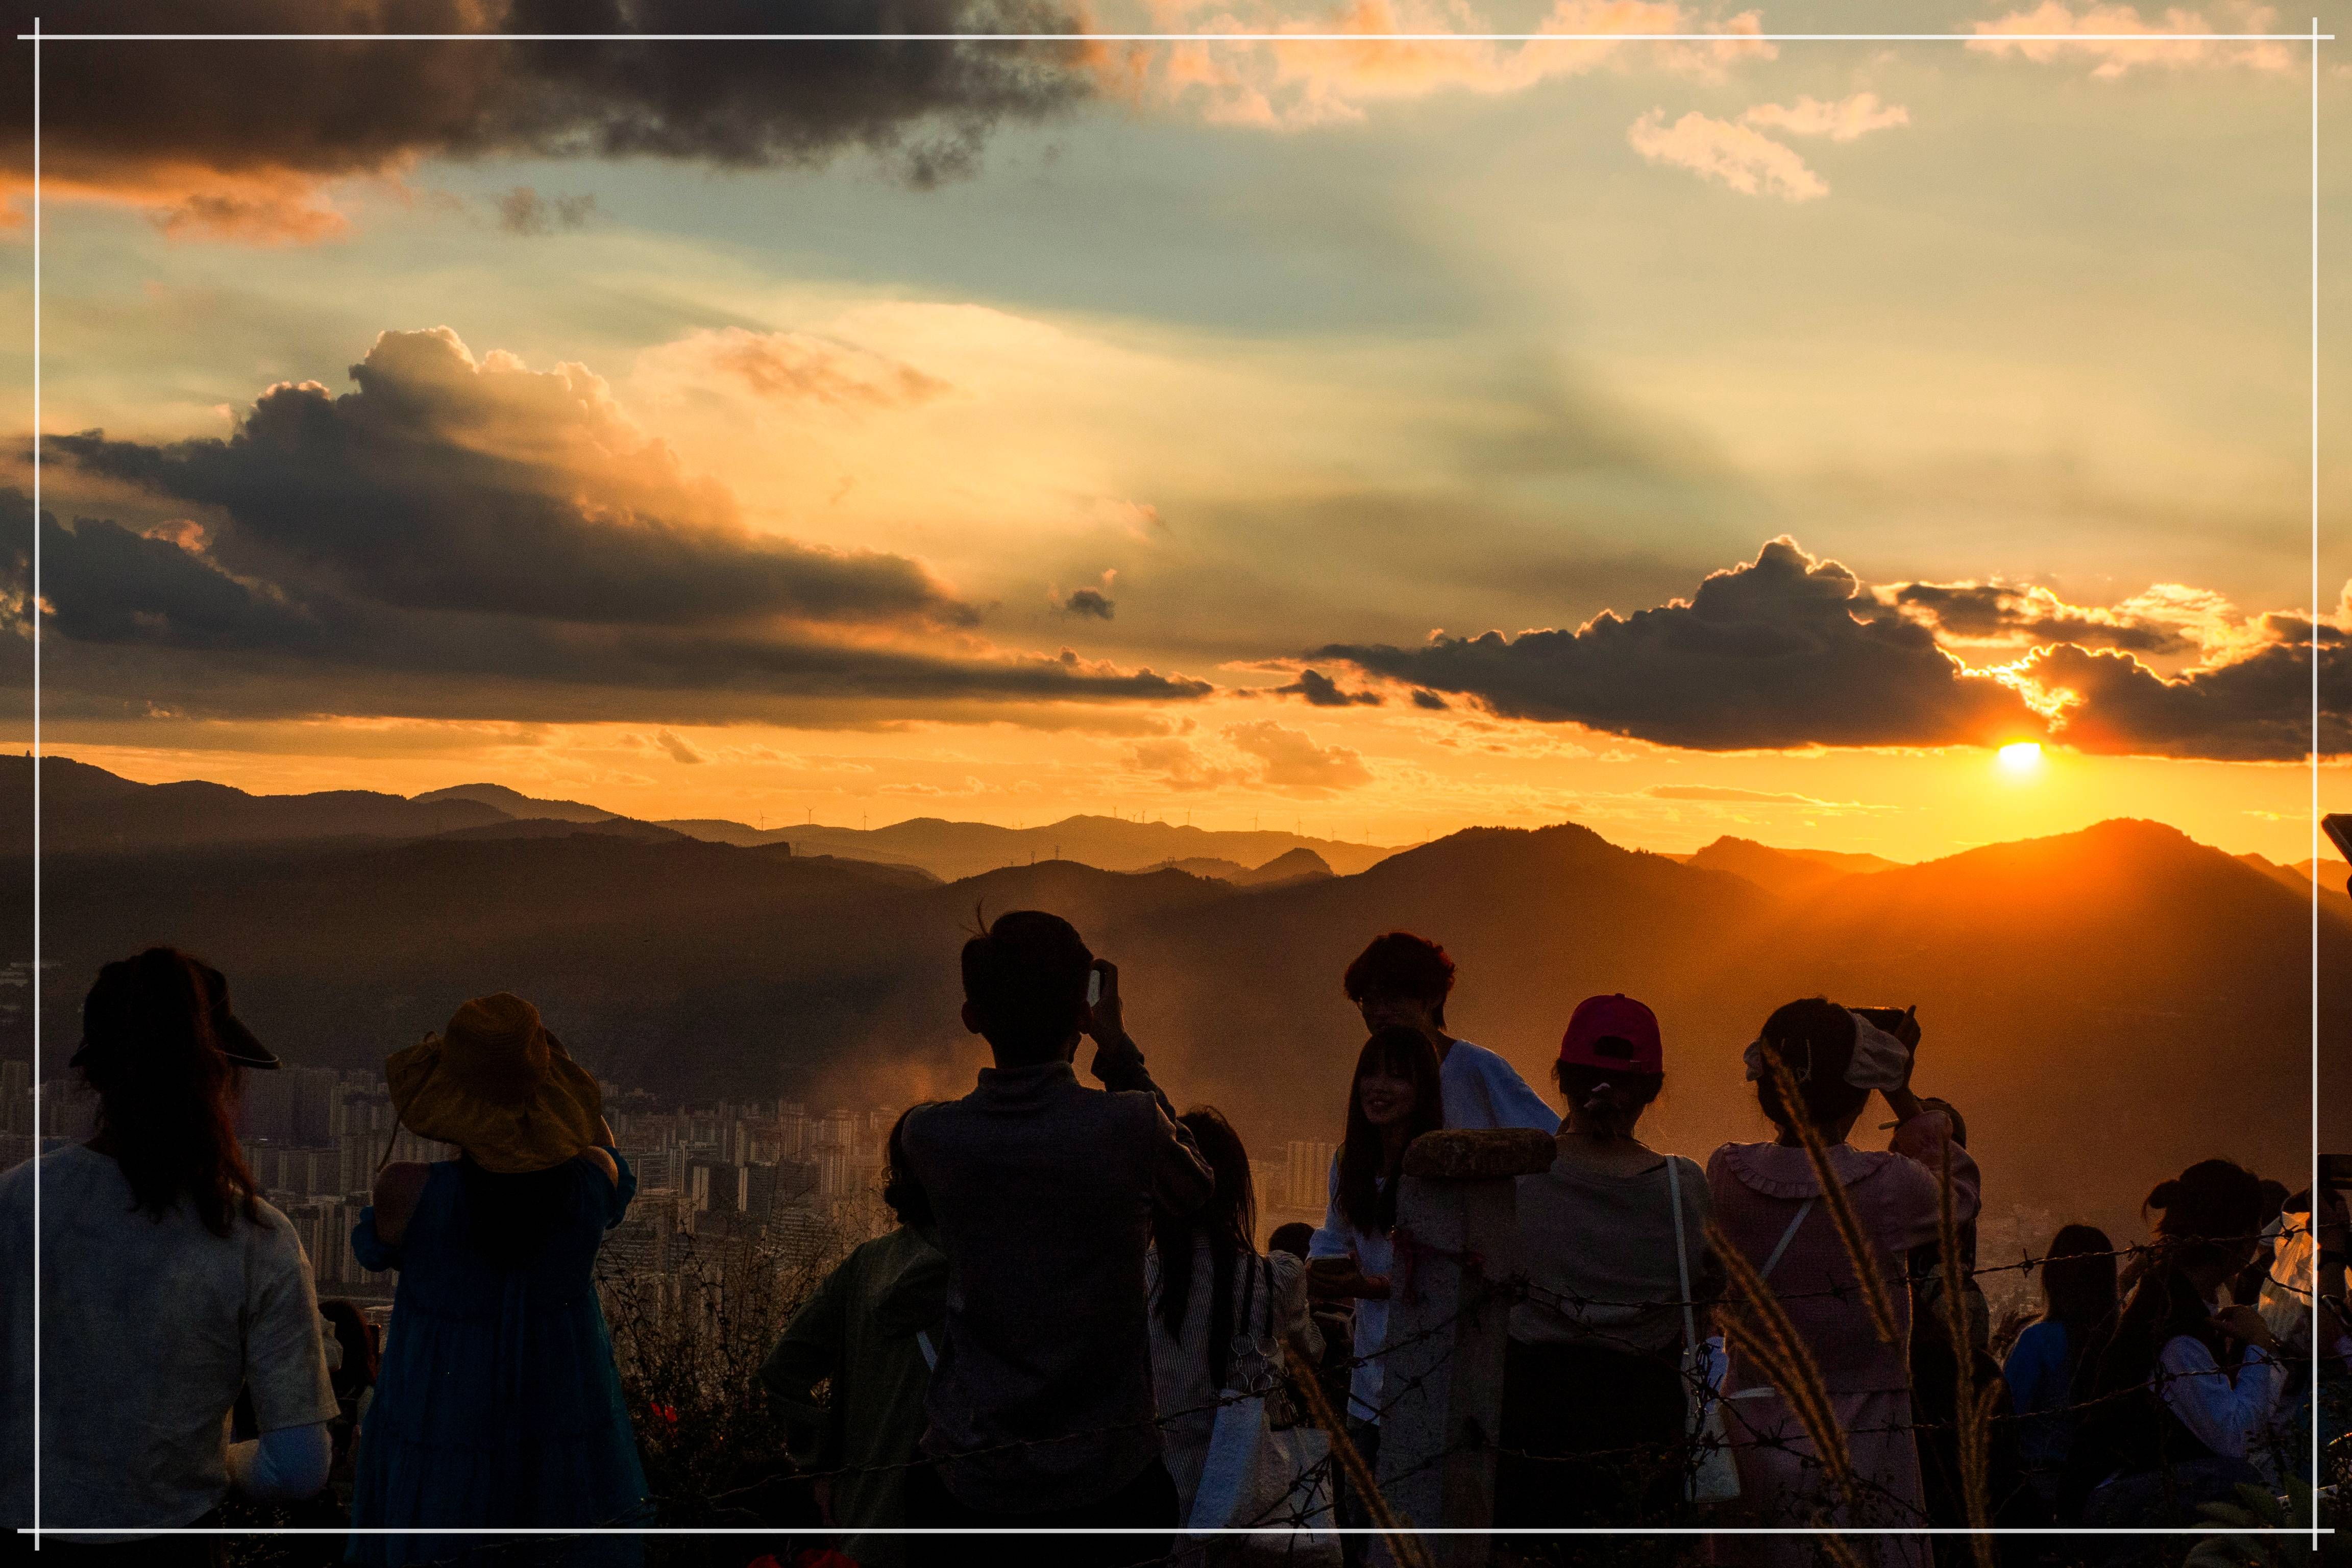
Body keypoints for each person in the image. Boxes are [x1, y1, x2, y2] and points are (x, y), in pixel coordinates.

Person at [898, 910, 1214, 1568]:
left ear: (971, 1017)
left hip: (970, 1483)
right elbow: (1198, 1190)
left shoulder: (931, 1138)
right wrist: (1119, 1050)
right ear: (1082, 1014)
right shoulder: (1128, 1126)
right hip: (1108, 1485)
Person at [0, 949, 336, 1563]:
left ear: (94, 1078)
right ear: (219, 1079)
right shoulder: (257, 1237)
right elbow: (300, 1467)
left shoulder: (16, 1200)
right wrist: (227, 1460)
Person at [347, 993, 650, 1567]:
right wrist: (554, 1084)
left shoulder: (408, 1192)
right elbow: (607, 1154)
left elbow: (377, 1247)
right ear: (547, 1090)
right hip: (562, 1405)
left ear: (450, 1099)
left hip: (442, 1411)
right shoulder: (591, 1183)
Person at [1706, 998, 1977, 1568]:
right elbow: (1960, 1196)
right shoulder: (1886, 1185)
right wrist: (1901, 1088)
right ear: (1861, 1092)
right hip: (1868, 1440)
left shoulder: (1727, 1173)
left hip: (1752, 1428)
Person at [1499, 993, 1721, 1528]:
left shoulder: (1519, 1178)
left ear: (1562, 1078)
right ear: (1652, 1091)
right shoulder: (1681, 1185)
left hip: (1531, 1413)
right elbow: (1709, 1289)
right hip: (1645, 1414)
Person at [758, 1108, 950, 1568]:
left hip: (866, 1528)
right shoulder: (994, 1273)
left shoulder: (863, 1269)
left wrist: (822, 1464)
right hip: (967, 1526)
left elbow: (782, 1371)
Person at [2068, 1160, 2287, 1529]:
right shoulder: (2176, 1330)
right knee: (2243, 1483)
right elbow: (2235, 1438)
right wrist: (2260, 1347)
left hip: (2124, 1482)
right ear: (2245, 1238)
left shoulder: (2174, 1299)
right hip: (2113, 1500)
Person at [1146, 1107, 1321, 1538]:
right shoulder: (1275, 1278)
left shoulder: (1136, 1277)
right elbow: (1312, 1351)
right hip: (1254, 1500)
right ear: (1238, 1191)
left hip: (1158, 1498)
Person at [1307, 1025, 1443, 1566]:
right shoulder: (1351, 1163)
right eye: (1370, 1072)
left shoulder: (1438, 1168)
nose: (1378, 1087)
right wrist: (1317, 1267)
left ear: (1423, 1091)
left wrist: (1364, 1287)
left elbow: (1437, 1278)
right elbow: (1332, 1235)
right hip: (1366, 1382)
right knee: (1357, 1537)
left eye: (1396, 1076)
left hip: (1423, 1383)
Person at [1342, 933, 1556, 1133]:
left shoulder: (1476, 1067)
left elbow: (1551, 1144)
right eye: (1369, 1000)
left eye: (1393, 999)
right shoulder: (1372, 1080)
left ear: (1433, 997)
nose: (1380, 1012)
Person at [2000, 1225, 2117, 1507]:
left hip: (2041, 1489)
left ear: (2051, 1278)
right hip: (2106, 1484)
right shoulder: (2120, 1337)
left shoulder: (2037, 1341)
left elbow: (2004, 1418)